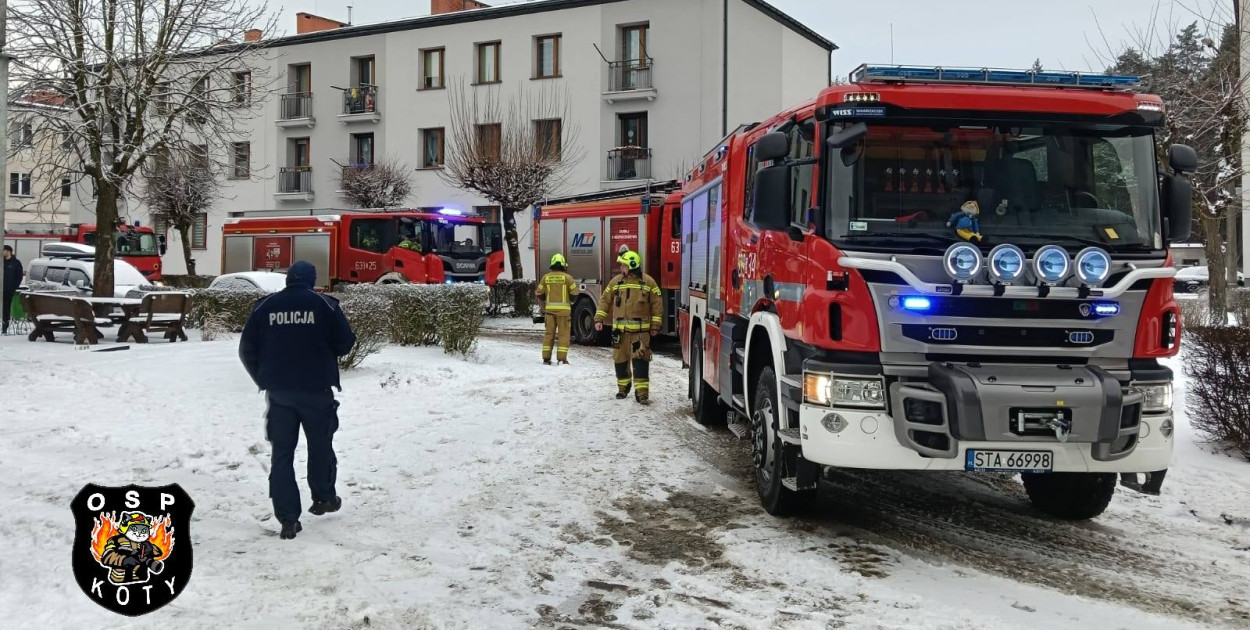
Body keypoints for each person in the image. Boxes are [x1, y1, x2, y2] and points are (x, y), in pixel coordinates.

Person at [239, 261, 356, 540]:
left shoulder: (264, 307)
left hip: (279, 393)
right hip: (316, 390)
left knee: (282, 455)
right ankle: (324, 498)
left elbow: (246, 350)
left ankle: (288, 519)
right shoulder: (325, 305)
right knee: (321, 445)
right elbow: (345, 343)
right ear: (312, 280)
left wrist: (263, 379)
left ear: (288, 280)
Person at [594, 250, 663, 405]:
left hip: (640, 333)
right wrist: (599, 318)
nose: (621, 267)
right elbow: (605, 300)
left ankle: (642, 394)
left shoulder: (648, 282)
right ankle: (623, 388)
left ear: (631, 265)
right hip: (620, 333)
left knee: (641, 361)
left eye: (623, 264)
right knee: (620, 360)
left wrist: (656, 325)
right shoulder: (616, 282)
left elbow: (657, 305)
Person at [535, 253, 579, 365]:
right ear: (564, 265)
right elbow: (575, 293)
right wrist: (571, 302)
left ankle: (546, 358)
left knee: (549, 334)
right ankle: (562, 359)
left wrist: (544, 301)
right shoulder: (568, 278)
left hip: (549, 312)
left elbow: (538, 292)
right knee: (563, 335)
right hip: (564, 313)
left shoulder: (546, 278)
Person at [2, 245, 23, 335]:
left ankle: (4, 328)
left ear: (8, 251)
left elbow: (19, 276)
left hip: (8, 290)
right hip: (1, 289)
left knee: (6, 309)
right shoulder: (1, 262)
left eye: (3, 250)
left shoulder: (16, 263)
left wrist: (13, 287)